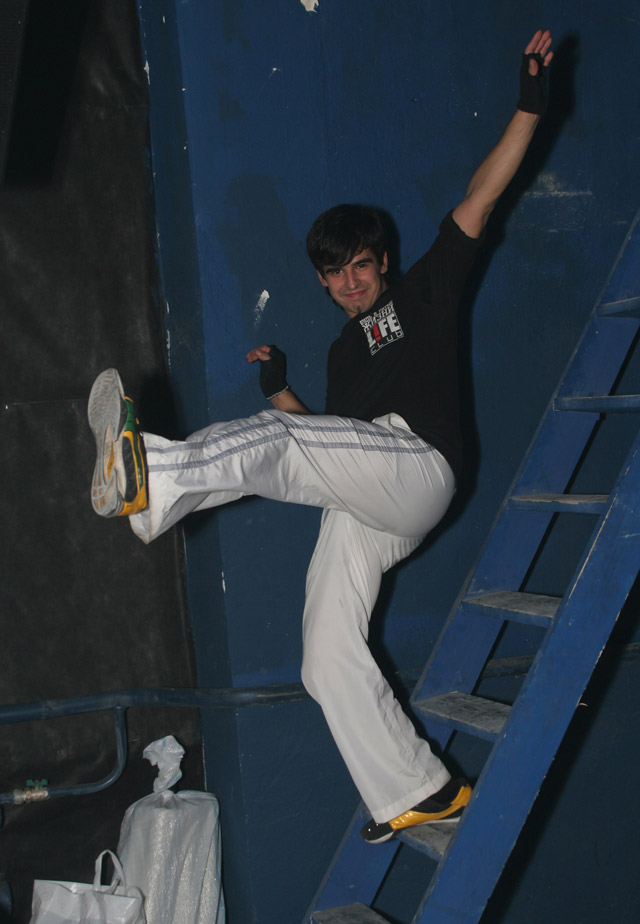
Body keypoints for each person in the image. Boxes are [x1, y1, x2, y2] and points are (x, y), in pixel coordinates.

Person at [88, 30, 553, 844]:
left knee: (283, 444)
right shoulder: (343, 350)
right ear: (323, 282)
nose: (350, 283)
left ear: (383, 261)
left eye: (361, 267)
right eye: (335, 275)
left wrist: (530, 104)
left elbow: (483, 195)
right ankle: (420, 789)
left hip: (422, 465)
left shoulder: (426, 291)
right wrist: (279, 389)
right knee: (324, 651)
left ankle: (154, 481)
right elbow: (326, 446)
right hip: (375, 492)